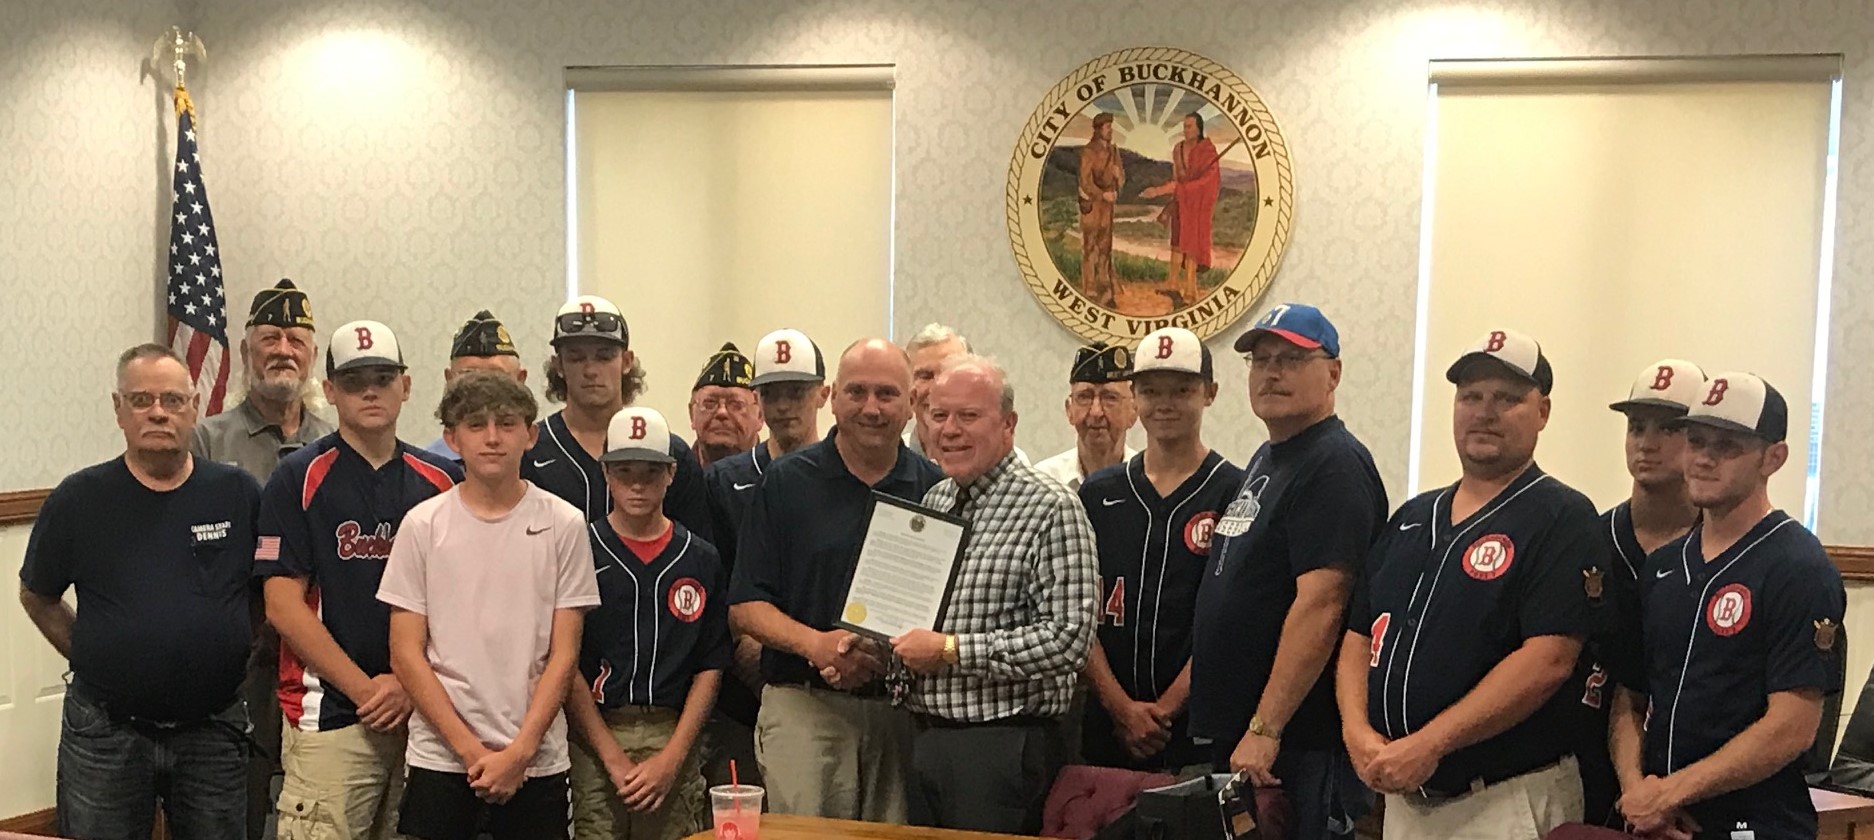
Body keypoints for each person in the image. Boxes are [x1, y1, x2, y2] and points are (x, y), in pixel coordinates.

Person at [1338, 329, 1603, 839]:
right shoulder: (1414, 517)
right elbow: (1358, 635)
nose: (1484, 412)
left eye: (1506, 399)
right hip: (1404, 801)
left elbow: (1548, 660)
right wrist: (1358, 732)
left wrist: (1430, 743)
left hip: (1505, 801)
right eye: (1471, 397)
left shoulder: (1563, 517)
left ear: (1542, 412)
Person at [21, 344, 262, 839]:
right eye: (142, 399)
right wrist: (94, 653)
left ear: (194, 409)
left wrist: (229, 644)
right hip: (105, 731)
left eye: (173, 400)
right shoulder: (79, 498)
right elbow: (37, 595)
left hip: (213, 728)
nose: (158, 412)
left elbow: (264, 596)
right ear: (118, 409)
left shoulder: (238, 494)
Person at [1610, 373, 1845, 840]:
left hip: (1757, 823)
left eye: (1727, 446)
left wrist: (1670, 794)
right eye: (1695, 440)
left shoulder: (1796, 565)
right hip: (1658, 823)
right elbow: (1629, 698)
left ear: (1773, 458)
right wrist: (1640, 795)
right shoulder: (1663, 566)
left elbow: (1792, 727)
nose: (1704, 458)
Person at [257, 320, 463, 840]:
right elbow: (282, 605)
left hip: (427, 714)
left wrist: (407, 687)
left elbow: (459, 603)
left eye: (383, 376)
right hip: (331, 714)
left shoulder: (443, 481)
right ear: (328, 391)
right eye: (352, 380)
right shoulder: (297, 477)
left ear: (407, 386)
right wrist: (367, 690)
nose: (370, 390)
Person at [1191, 304, 1387, 840]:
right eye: (1260, 360)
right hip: (1249, 738)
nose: (1271, 372)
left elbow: (1323, 603)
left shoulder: (1335, 465)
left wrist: (1265, 726)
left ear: (1333, 374)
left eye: (1291, 360)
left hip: (1298, 745)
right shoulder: (1271, 456)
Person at [378, 370, 601, 840]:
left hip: (535, 760)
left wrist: (519, 752)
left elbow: (564, 655)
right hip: (441, 757)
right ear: (451, 438)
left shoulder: (564, 524)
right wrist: (469, 752)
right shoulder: (422, 525)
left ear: (531, 434)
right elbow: (406, 653)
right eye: (476, 425)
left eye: (506, 423)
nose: (493, 437)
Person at [728, 338, 942, 822]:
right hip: (805, 711)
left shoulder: (934, 491)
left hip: (900, 713)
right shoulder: (785, 483)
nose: (871, 407)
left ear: (911, 404)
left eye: (887, 394)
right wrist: (817, 646)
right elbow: (745, 605)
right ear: (832, 397)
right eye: (857, 392)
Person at [896, 354, 1099, 833]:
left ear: (1008, 424)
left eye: (968, 416)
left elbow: (1069, 638)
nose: (949, 429)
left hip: (1002, 747)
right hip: (926, 737)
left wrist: (950, 650)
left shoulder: (1052, 508)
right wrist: (871, 645)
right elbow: (920, 619)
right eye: (939, 414)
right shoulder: (935, 501)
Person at [190, 277, 334, 839]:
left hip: (320, 655)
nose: (283, 350)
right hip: (240, 655)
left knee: (314, 801)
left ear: (313, 354)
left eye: (296, 339)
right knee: (238, 799)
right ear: (247, 350)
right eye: (270, 337)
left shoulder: (336, 439)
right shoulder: (207, 442)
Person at [1078, 327, 1240, 772]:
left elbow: (1229, 624)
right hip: (1106, 725)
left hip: (1194, 731)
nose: (1165, 404)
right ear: (1133, 398)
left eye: (1182, 390)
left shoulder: (1235, 492)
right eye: (1151, 391)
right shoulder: (1099, 493)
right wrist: (1120, 709)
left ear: (1210, 393)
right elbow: (1076, 611)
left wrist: (1164, 710)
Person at [566, 406, 728, 840]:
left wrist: (673, 757)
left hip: (672, 730)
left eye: (650, 471)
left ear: (672, 473)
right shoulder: (580, 548)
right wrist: (612, 758)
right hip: (596, 732)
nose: (637, 483)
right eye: (624, 470)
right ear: (605, 473)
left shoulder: (699, 558)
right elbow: (565, 664)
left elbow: (710, 665)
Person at [1571, 359, 1705, 826]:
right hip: (1581, 770)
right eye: (1636, 426)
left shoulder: (1723, 553)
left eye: (1670, 428)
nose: (1647, 442)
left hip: (1690, 781)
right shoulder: (1587, 538)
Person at [702, 327, 829, 790]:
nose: (784, 406)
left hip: (832, 682)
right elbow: (713, 586)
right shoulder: (722, 481)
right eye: (771, 393)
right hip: (741, 694)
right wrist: (752, 655)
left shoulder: (846, 474)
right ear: (756, 400)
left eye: (796, 392)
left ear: (822, 394)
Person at [527, 295, 712, 542]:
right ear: (558, 365)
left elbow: (696, 556)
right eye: (576, 357)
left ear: (626, 361)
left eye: (604, 356)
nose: (591, 370)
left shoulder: (669, 452)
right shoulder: (530, 450)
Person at [1140, 113, 1221, 307]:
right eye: (1184, 126)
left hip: (1195, 204)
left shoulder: (1207, 151)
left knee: (1190, 245)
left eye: (1190, 126)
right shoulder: (1178, 149)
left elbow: (1210, 180)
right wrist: (1173, 193)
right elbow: (1178, 180)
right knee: (1176, 242)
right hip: (1181, 200)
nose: (1186, 130)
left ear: (1199, 128)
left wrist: (1165, 191)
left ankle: (1190, 292)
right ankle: (1173, 285)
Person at [1032, 342, 1137, 491]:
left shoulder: (1147, 482)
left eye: (1110, 398)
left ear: (1134, 411)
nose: (1096, 412)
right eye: (1084, 397)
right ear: (1069, 410)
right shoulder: (1043, 482)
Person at [425, 309, 527, 460]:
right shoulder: (432, 467)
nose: (482, 390)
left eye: (496, 377)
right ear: (450, 379)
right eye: (470, 376)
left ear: (520, 379)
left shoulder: (541, 462)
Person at [1078, 111, 1125, 308]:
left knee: (1105, 248)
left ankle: (1105, 290)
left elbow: (1121, 177)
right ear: (1099, 130)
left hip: (1107, 206)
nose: (1110, 131)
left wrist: (1118, 179)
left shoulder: (1114, 151)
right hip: (1093, 205)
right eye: (1107, 127)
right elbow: (1085, 180)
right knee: (1090, 247)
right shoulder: (1089, 152)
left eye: (1110, 127)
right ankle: (1089, 288)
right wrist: (1101, 195)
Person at [687, 342, 761, 468]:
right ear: (692, 414)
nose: (722, 412)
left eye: (736, 404)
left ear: (760, 415)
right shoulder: (672, 479)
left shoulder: (776, 480)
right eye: (710, 403)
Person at [903, 323, 970, 458]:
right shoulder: (888, 461)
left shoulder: (995, 461)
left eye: (948, 374)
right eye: (925, 376)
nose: (937, 388)